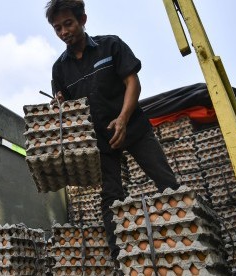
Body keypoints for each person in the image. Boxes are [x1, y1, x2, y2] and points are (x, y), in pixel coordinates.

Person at [44, 0, 180, 267]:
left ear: (83, 20)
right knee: (110, 198)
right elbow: (69, 110)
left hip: (133, 128)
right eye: (57, 28)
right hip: (100, 142)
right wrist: (60, 106)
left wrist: (123, 119)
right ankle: (121, 261)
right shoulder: (59, 68)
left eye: (68, 24)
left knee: (166, 181)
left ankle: (187, 235)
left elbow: (133, 82)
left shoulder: (111, 45)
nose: (63, 32)